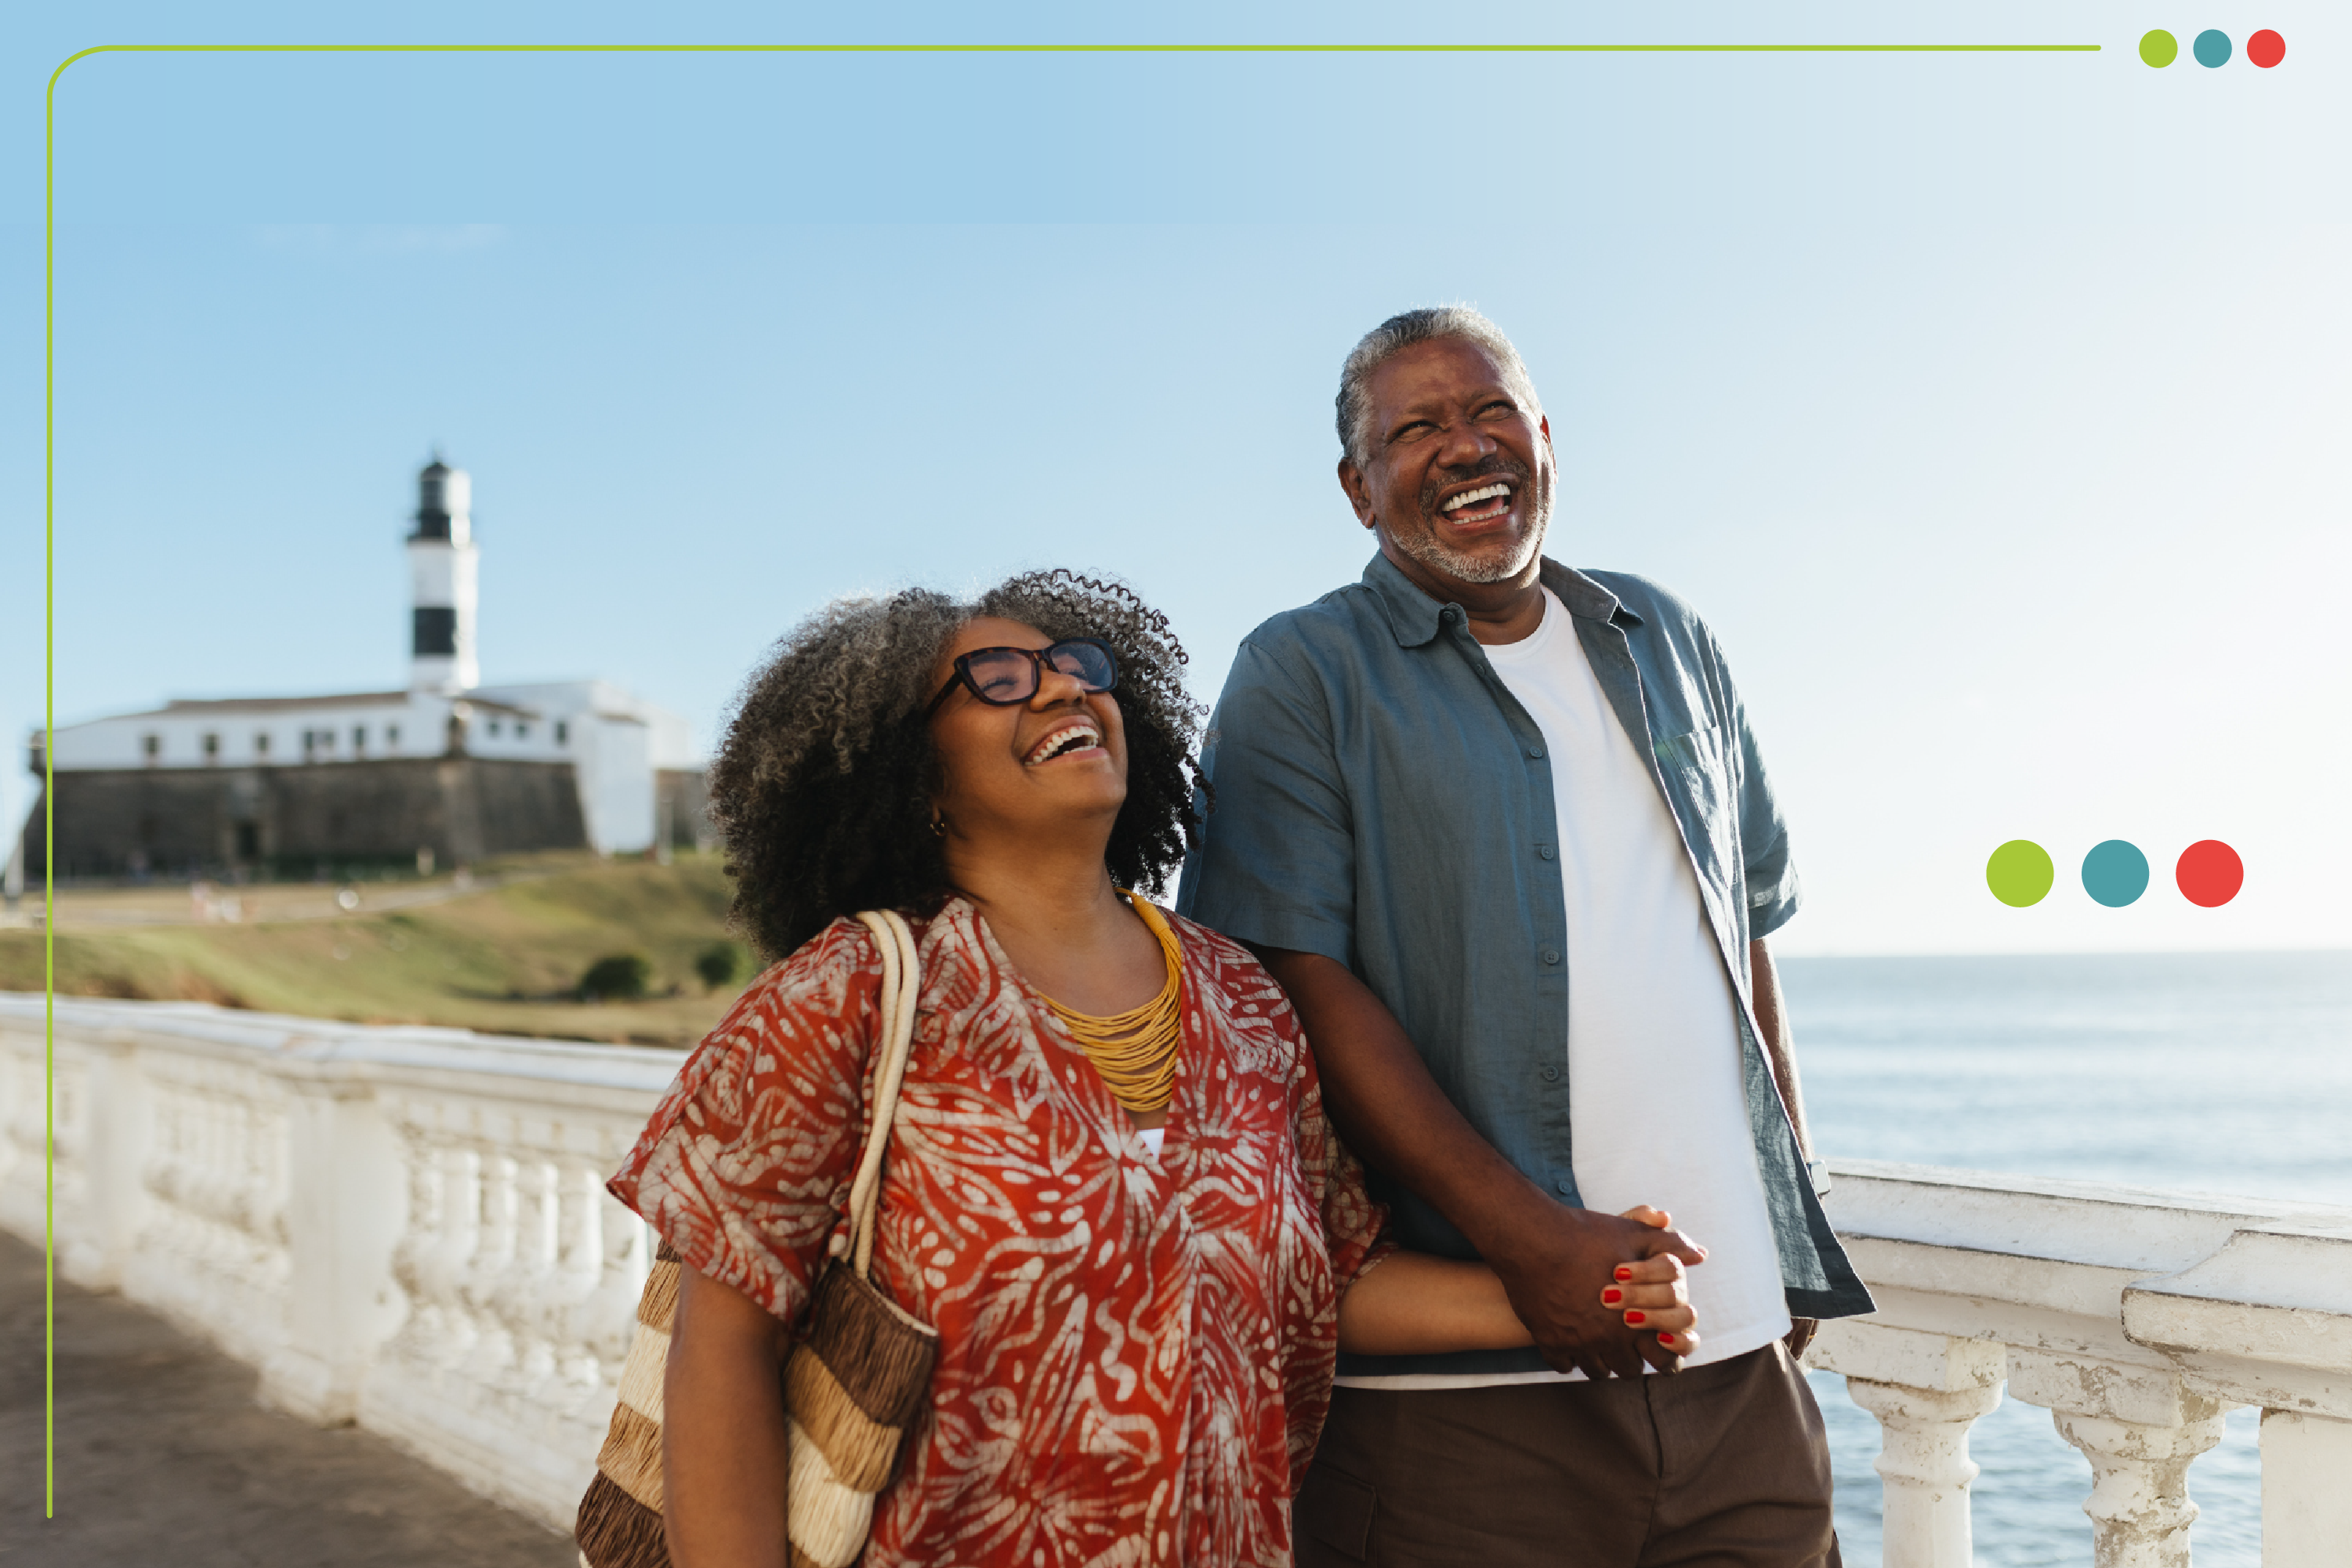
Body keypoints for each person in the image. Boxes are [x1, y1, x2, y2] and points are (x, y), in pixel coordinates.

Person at [604, 570, 1667, 1568]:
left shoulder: (1242, 1000)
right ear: (912, 772)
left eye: (1076, 665)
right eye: (997, 680)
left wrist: (1576, 1286)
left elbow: (1333, 1280)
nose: (1062, 685)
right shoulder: (855, 993)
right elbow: (724, 1348)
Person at [1178, 308, 1875, 1567]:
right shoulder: (1302, 673)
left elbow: (1740, 930)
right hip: (1466, 1421)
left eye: (1492, 410)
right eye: (1418, 429)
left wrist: (1795, 1199)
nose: (1465, 446)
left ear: (1545, 434)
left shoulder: (1667, 638)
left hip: (1739, 1386)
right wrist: (1529, 1238)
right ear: (1357, 488)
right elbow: (1292, 984)